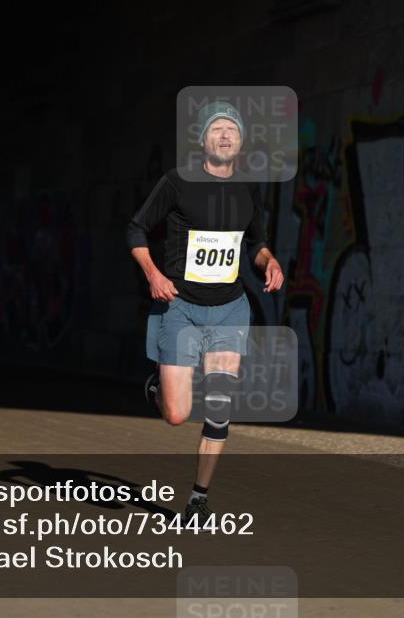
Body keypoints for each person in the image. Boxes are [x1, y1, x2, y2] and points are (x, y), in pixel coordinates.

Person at [127, 101, 284, 524]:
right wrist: (153, 274)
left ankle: (199, 496)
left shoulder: (249, 188)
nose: (226, 135)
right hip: (181, 307)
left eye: (232, 130)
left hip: (230, 309)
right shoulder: (177, 183)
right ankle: (158, 388)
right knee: (177, 414)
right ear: (203, 140)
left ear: (241, 141)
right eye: (217, 129)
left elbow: (256, 243)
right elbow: (136, 229)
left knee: (218, 406)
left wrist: (268, 261)